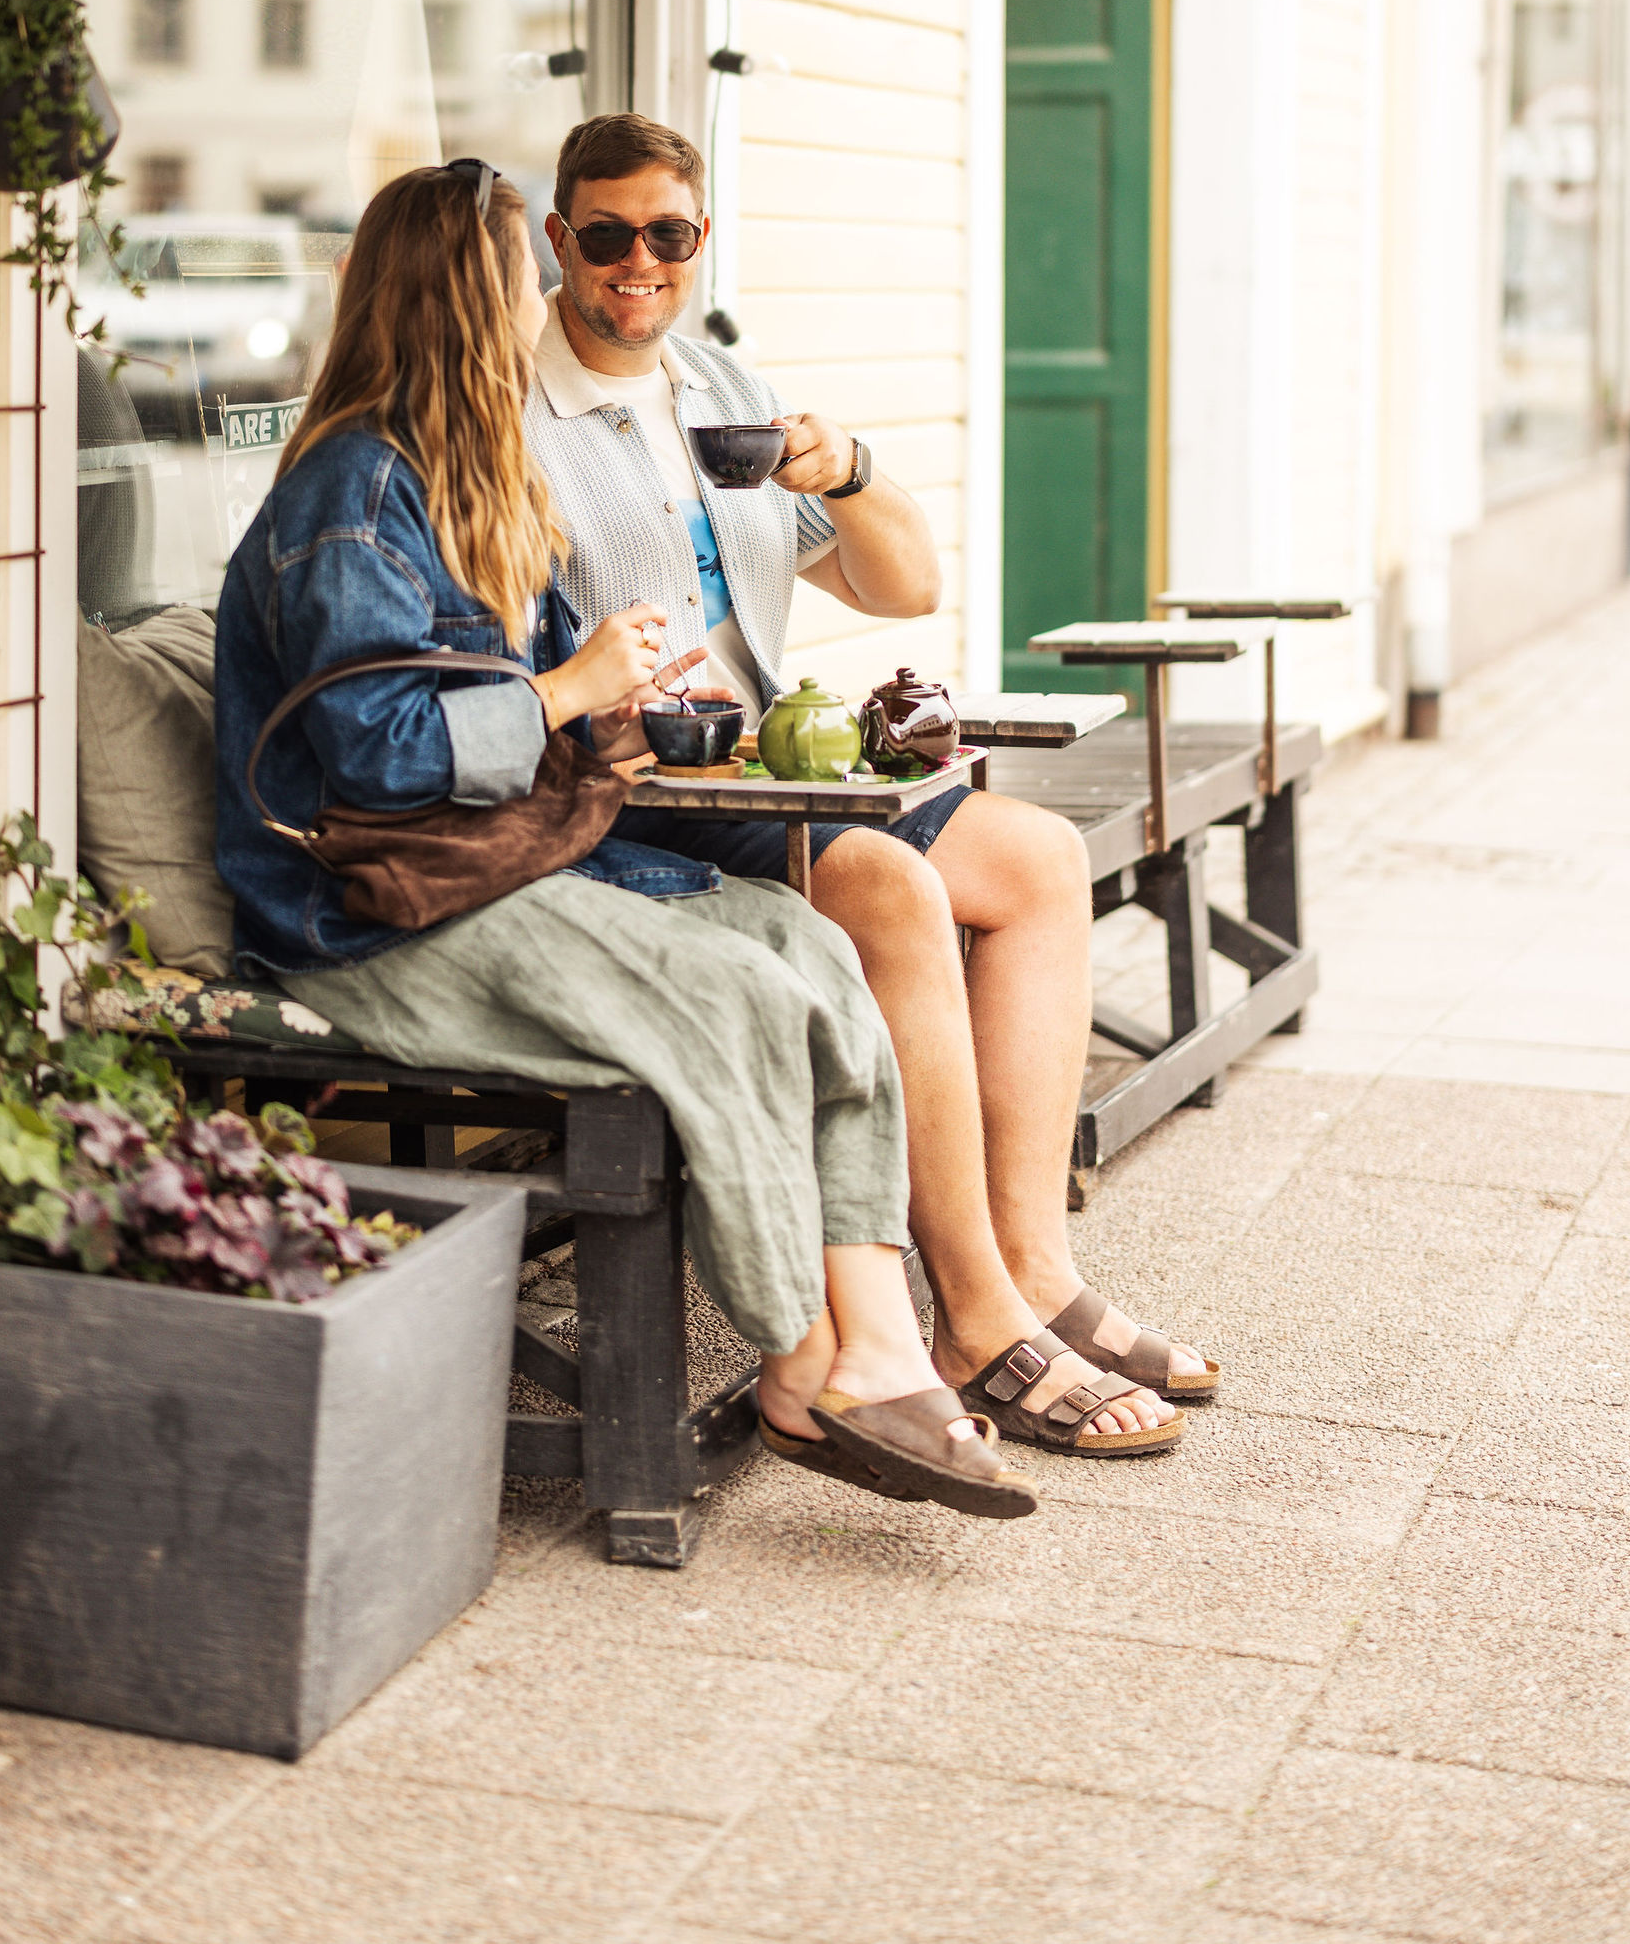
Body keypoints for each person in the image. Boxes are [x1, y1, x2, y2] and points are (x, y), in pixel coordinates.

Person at [213, 157, 1037, 1519]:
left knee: (802, 947)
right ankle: (803, 1353)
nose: (534, 309)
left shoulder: (465, 474)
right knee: (731, 996)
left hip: (502, 856)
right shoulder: (352, 490)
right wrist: (568, 691)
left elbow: (536, 719)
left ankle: (882, 1339)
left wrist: (631, 714)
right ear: (450, 309)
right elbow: (381, 755)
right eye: (514, 285)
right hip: (365, 911)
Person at [524, 112, 1218, 1461]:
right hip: (646, 794)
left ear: (700, 240)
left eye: (666, 234)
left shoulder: (715, 383)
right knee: (894, 884)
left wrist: (842, 471)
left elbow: (902, 582)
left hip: (777, 766)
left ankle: (1037, 1269)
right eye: (604, 235)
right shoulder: (522, 404)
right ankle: (970, 1313)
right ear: (561, 240)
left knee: (1035, 864)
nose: (635, 264)